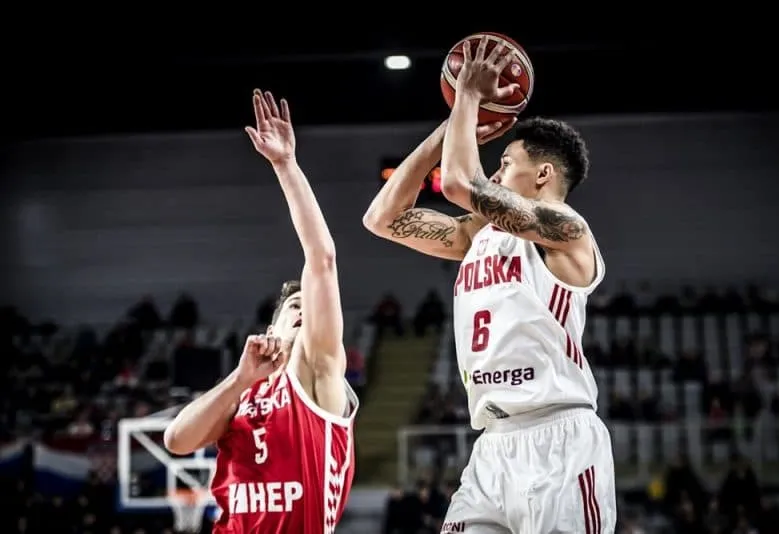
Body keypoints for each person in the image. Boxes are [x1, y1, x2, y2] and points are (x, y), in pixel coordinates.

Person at [363, 36, 615, 533]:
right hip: (492, 446)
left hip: (559, 440)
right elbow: (381, 218)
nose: (496, 173)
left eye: (506, 164)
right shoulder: (478, 234)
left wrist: (468, 99)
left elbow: (460, 184)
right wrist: (448, 128)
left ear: (543, 174)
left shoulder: (568, 231)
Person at [164, 89, 358, 533]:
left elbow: (322, 259)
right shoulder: (243, 393)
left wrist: (286, 166)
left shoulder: (318, 370)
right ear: (272, 327)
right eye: (295, 306)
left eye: (310, 304)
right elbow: (177, 440)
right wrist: (240, 379)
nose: (306, 310)